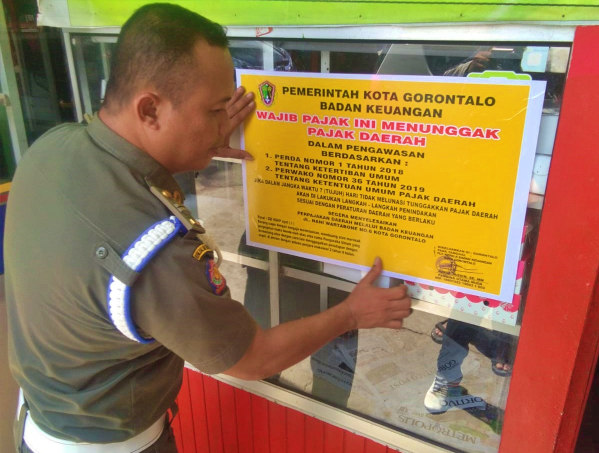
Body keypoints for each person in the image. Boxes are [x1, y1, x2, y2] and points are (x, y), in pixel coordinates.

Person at [4, 4, 412, 452]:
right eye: (215, 110)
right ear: (150, 109)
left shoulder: (52, 149)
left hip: (39, 426)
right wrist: (352, 313)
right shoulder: (155, 252)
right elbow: (251, 358)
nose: (226, 125)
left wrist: (194, 143)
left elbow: (129, 188)